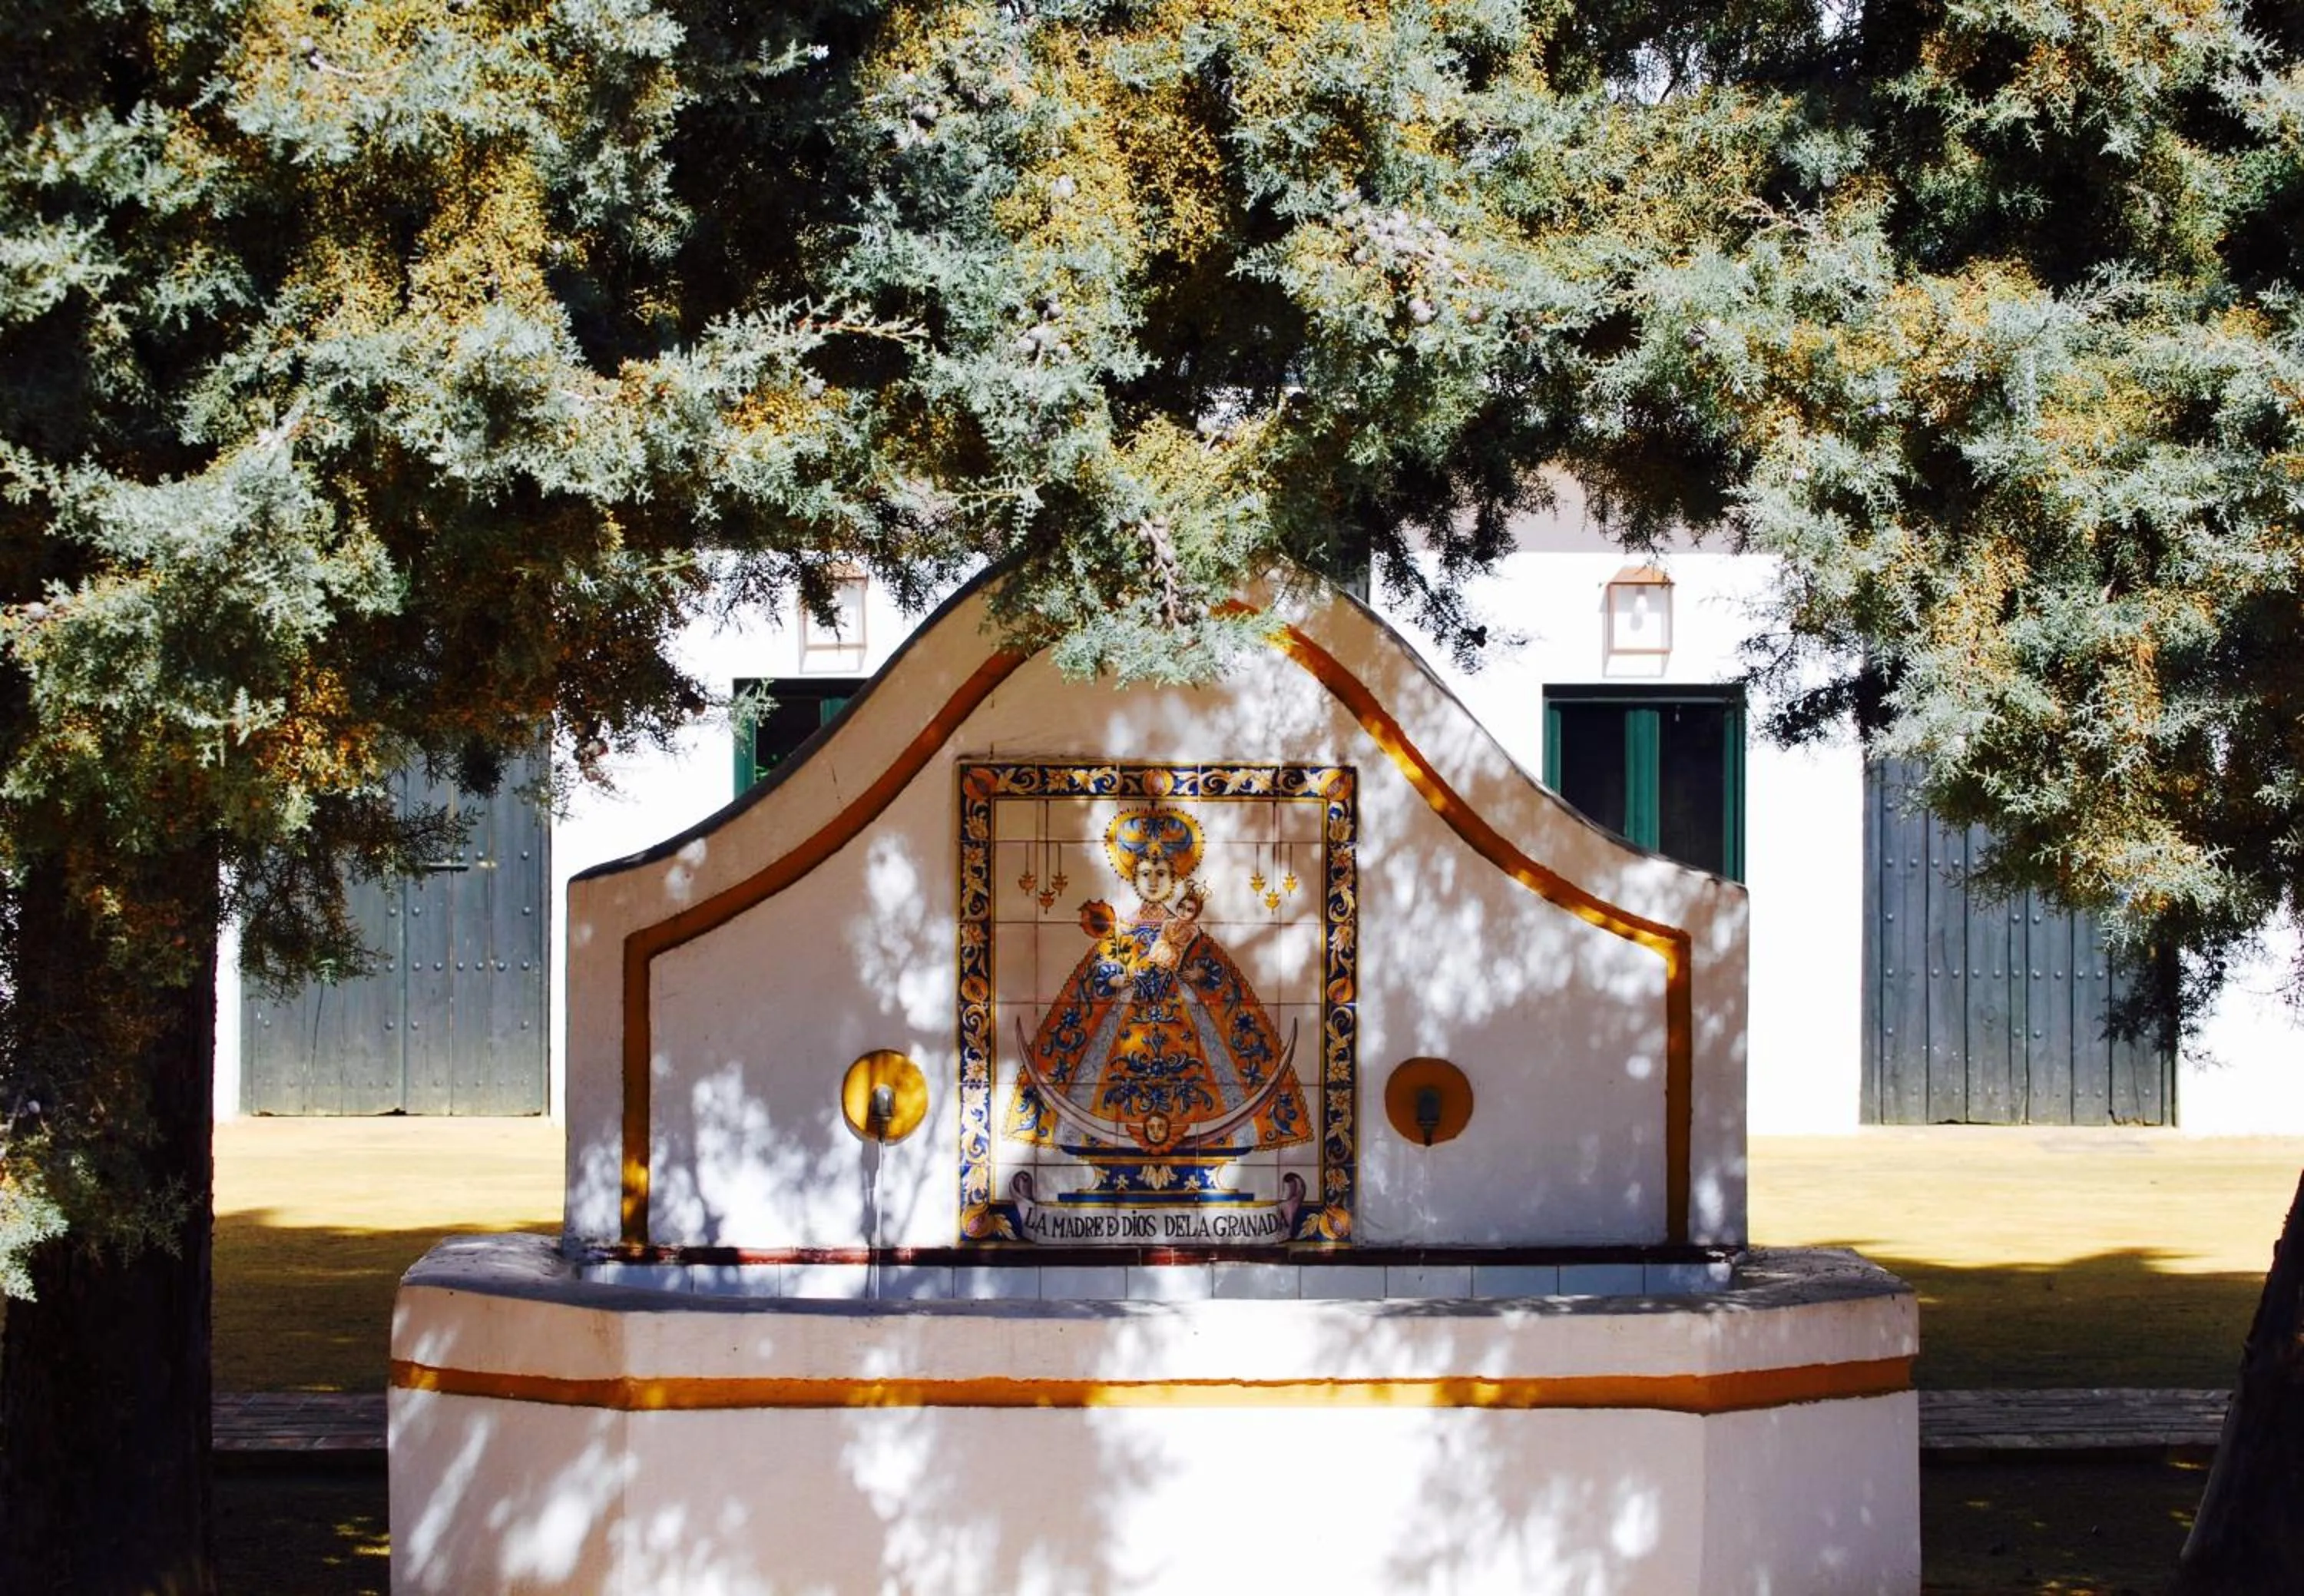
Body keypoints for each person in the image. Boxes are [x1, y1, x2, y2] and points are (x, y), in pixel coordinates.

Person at [1005, 806, 1311, 1159]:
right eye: (1146, 874)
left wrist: (1197, 976)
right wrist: (1117, 979)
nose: (1153, 881)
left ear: (1174, 879)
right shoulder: (1122, 931)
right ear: (1134, 878)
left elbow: (1217, 979)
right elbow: (1097, 981)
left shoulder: (1190, 932)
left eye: (1161, 873)